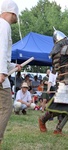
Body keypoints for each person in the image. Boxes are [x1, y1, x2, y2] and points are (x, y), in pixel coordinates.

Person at [38, 28, 68, 134]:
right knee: (61, 107)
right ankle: (43, 120)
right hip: (67, 83)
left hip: (66, 82)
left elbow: (56, 70)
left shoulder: (55, 54)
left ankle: (58, 128)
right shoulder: (65, 49)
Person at [0, 0, 22, 146]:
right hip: (1, 76)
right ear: (12, 12)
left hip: (2, 70)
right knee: (6, 108)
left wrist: (13, 65)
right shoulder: (4, 25)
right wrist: (1, 72)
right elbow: (1, 49)